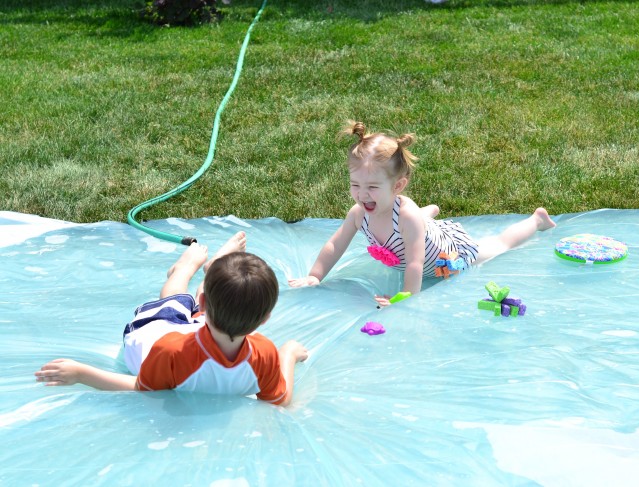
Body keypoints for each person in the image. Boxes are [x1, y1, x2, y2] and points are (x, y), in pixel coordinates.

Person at [288, 121, 556, 307]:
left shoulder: (406, 218)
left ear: (398, 186)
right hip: (416, 230)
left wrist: (404, 297)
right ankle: (430, 215)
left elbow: (415, 264)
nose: (362, 194)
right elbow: (335, 244)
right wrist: (315, 276)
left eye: (371, 187)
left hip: (447, 255)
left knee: (499, 245)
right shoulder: (359, 213)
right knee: (416, 224)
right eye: (355, 185)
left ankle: (536, 220)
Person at [35, 232, 309, 407]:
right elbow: (280, 398)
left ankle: (206, 269)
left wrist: (81, 373)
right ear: (265, 319)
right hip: (163, 330)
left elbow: (138, 387)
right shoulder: (265, 353)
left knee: (183, 303)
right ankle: (187, 268)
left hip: (166, 331)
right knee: (178, 301)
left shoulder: (173, 352)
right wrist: (288, 353)